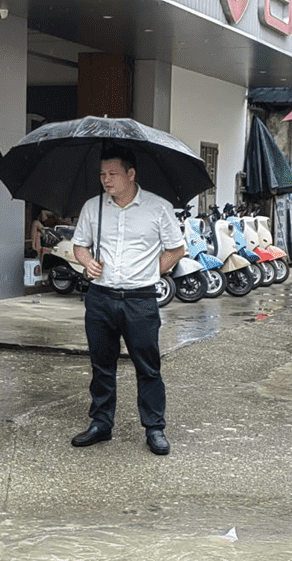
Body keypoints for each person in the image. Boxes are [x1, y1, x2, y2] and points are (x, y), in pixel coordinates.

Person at [69, 146, 186, 456]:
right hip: (101, 297)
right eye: (102, 174)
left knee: (148, 366)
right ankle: (101, 423)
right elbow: (79, 245)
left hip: (140, 299)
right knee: (101, 365)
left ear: (131, 174)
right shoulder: (94, 207)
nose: (106, 180)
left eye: (113, 174)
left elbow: (176, 249)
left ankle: (155, 427)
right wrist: (87, 261)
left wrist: (152, 270)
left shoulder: (158, 208)